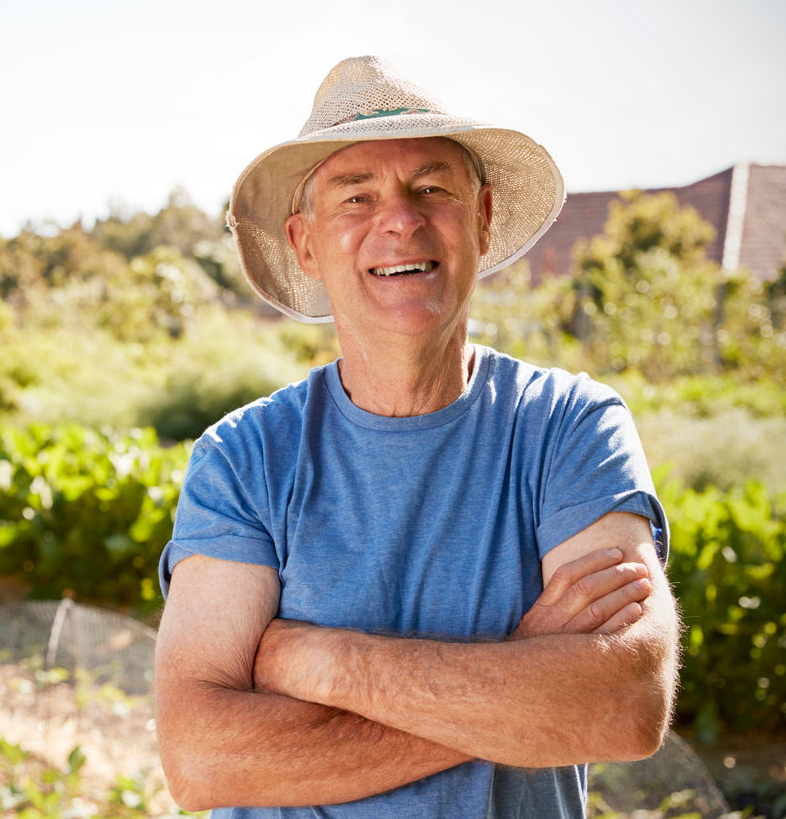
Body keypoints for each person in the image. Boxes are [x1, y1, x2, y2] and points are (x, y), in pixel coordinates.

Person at [152, 56, 680, 817]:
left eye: (431, 189)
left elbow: (624, 702)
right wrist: (521, 693)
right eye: (355, 197)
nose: (399, 218)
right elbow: (202, 759)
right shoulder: (244, 459)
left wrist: (321, 662)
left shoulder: (570, 427)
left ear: (483, 217)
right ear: (305, 245)